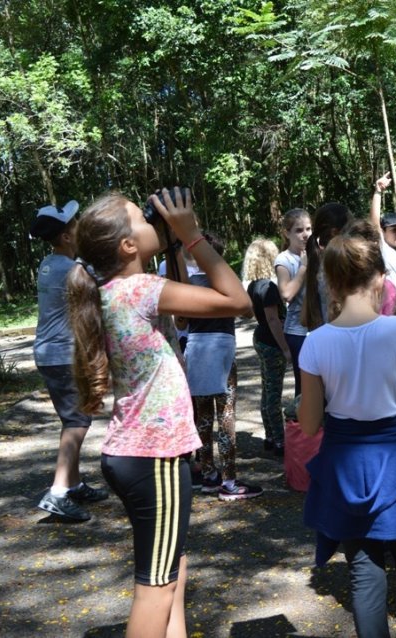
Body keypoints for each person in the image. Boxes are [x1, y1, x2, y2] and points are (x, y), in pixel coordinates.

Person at [67, 188, 251, 638]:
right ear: (128, 245)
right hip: (155, 459)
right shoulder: (142, 290)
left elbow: (184, 320)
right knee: (156, 588)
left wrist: (171, 245)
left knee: (171, 569)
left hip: (133, 455)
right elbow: (237, 300)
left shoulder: (116, 291)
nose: (154, 220)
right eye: (142, 218)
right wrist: (191, 236)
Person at [297, 231, 396, 638]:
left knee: (364, 574)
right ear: (380, 278)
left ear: (331, 283)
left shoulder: (315, 343)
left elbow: (309, 424)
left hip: (346, 467)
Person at [31, 200, 109, 522]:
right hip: (62, 355)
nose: (80, 230)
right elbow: (102, 290)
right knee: (77, 421)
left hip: (51, 354)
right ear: (65, 236)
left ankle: (74, 484)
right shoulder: (71, 270)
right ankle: (59, 491)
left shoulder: (49, 264)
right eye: (76, 227)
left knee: (73, 420)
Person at [185, 232, 262, 501]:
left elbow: (180, 321)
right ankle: (229, 481)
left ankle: (208, 474)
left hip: (196, 348)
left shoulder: (188, 283)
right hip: (221, 349)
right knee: (226, 414)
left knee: (203, 416)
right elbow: (248, 312)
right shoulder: (226, 281)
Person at [243, 237, 291, 455]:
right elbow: (273, 320)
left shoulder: (253, 286)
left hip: (261, 338)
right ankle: (279, 440)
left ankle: (270, 436)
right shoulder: (269, 288)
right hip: (271, 343)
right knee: (273, 394)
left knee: (267, 389)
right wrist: (285, 348)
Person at [274, 208, 312, 413]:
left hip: (321, 328)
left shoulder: (318, 253)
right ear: (286, 233)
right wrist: (304, 268)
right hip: (298, 332)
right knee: (305, 386)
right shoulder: (284, 260)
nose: (305, 234)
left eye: (308, 229)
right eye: (299, 230)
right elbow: (286, 294)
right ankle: (303, 429)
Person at [300, 203, 351, 330]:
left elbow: (304, 318)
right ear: (335, 232)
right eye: (351, 226)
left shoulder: (316, 262)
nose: (355, 231)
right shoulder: (341, 264)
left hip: (325, 333)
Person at [370, 172, 396, 294]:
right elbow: (374, 223)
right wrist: (378, 192)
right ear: (383, 232)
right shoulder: (385, 251)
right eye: (394, 230)